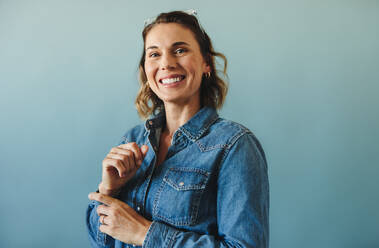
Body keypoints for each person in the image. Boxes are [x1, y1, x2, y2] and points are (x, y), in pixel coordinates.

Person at [86, 10, 269, 248]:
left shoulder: (235, 145)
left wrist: (145, 234)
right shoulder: (132, 139)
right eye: (154, 54)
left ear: (206, 63)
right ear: (145, 69)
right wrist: (108, 190)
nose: (167, 63)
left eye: (180, 50)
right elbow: (101, 241)